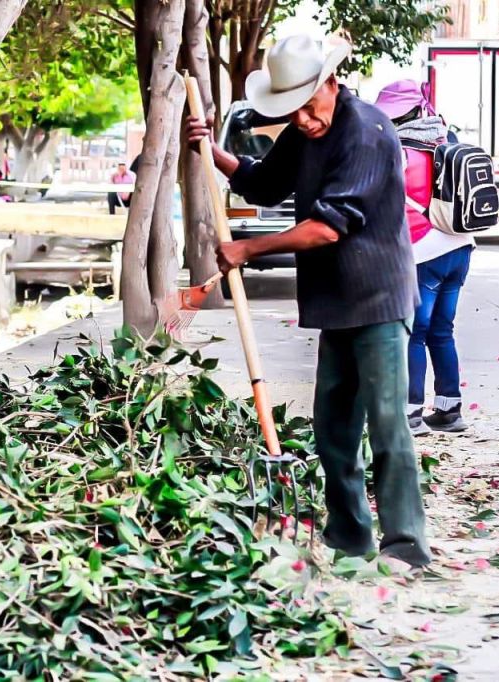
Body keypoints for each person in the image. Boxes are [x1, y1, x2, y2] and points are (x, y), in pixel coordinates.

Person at [185, 35, 431, 568]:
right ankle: (349, 538)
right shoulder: (305, 130)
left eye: (307, 105)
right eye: (290, 110)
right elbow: (264, 184)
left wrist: (249, 248)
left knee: (387, 423)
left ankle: (406, 545)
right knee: (333, 429)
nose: (301, 119)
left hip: (379, 299)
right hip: (335, 304)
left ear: (331, 84)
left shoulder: (366, 131)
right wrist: (211, 150)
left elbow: (327, 228)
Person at [374, 80, 475, 436]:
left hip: (424, 251)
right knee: (442, 330)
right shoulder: (447, 140)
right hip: (460, 246)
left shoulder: (398, 150)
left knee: (414, 331)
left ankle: (411, 413)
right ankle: (449, 410)